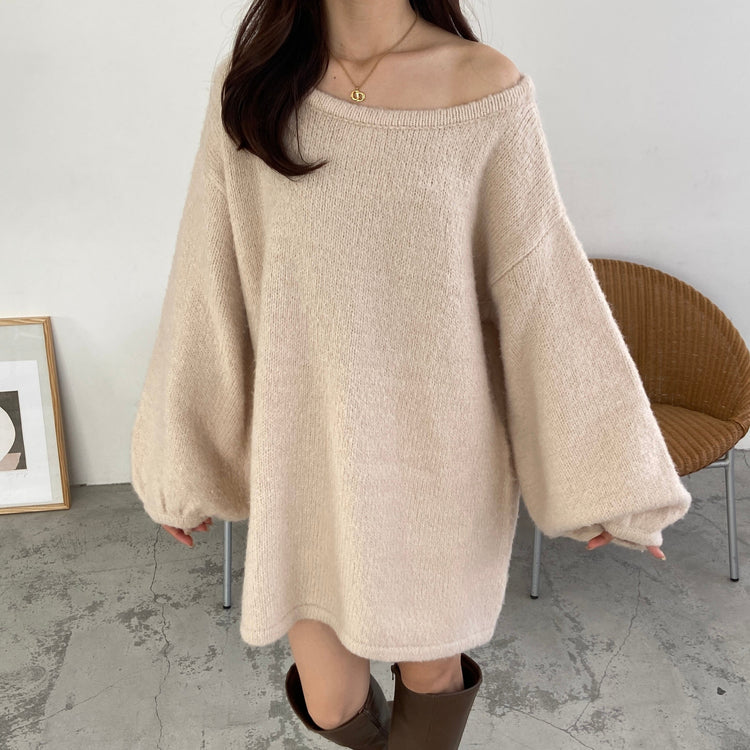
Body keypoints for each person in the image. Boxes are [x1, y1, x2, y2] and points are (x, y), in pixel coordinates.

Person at [131, 0, 692, 747]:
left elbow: (542, 290)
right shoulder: (256, 81)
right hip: (307, 461)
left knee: (431, 676)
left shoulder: (484, 87)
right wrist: (181, 460)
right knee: (331, 703)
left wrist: (615, 482)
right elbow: (209, 276)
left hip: (438, 468)